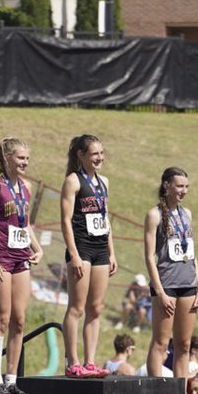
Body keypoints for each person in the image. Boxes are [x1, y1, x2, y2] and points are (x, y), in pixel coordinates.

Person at [0, 137, 43, 394]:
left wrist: (37, 247)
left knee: (20, 319)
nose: (25, 163)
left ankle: (12, 380)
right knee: (2, 318)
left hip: (20, 256)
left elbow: (25, 224)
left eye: (27, 158)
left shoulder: (26, 187)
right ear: (7, 157)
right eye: (20, 158)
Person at [60, 134, 116, 377]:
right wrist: (73, 254)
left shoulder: (104, 182)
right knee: (77, 307)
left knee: (96, 307)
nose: (99, 158)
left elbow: (105, 218)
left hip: (101, 248)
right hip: (81, 247)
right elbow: (65, 220)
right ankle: (73, 362)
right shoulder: (73, 181)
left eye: (101, 153)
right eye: (94, 154)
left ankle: (90, 361)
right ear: (81, 155)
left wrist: (112, 252)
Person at [143, 167, 198, 385]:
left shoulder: (187, 214)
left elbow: (192, 254)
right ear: (167, 185)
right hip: (166, 284)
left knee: (184, 344)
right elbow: (149, 256)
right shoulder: (155, 215)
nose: (183, 191)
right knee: (161, 342)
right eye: (179, 186)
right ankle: (156, 392)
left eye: (186, 186)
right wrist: (159, 292)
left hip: (188, 284)